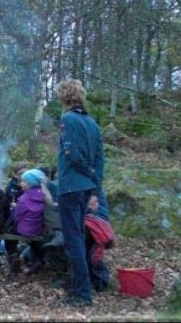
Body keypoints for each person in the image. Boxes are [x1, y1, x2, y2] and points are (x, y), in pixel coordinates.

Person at [54, 78, 105, 307]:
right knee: (78, 239)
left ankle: (82, 294)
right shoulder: (93, 123)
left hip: (71, 187)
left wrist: (88, 173)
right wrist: (95, 184)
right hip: (85, 188)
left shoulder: (67, 119)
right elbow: (99, 160)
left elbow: (73, 155)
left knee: (73, 240)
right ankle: (80, 286)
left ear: (63, 98)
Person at [5, 168, 51, 275]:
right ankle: (37, 260)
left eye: (24, 181)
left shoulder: (24, 198)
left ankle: (13, 255)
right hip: (39, 228)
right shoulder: (45, 196)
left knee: (9, 235)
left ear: (30, 183)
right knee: (35, 240)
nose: (21, 183)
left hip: (25, 229)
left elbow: (17, 216)